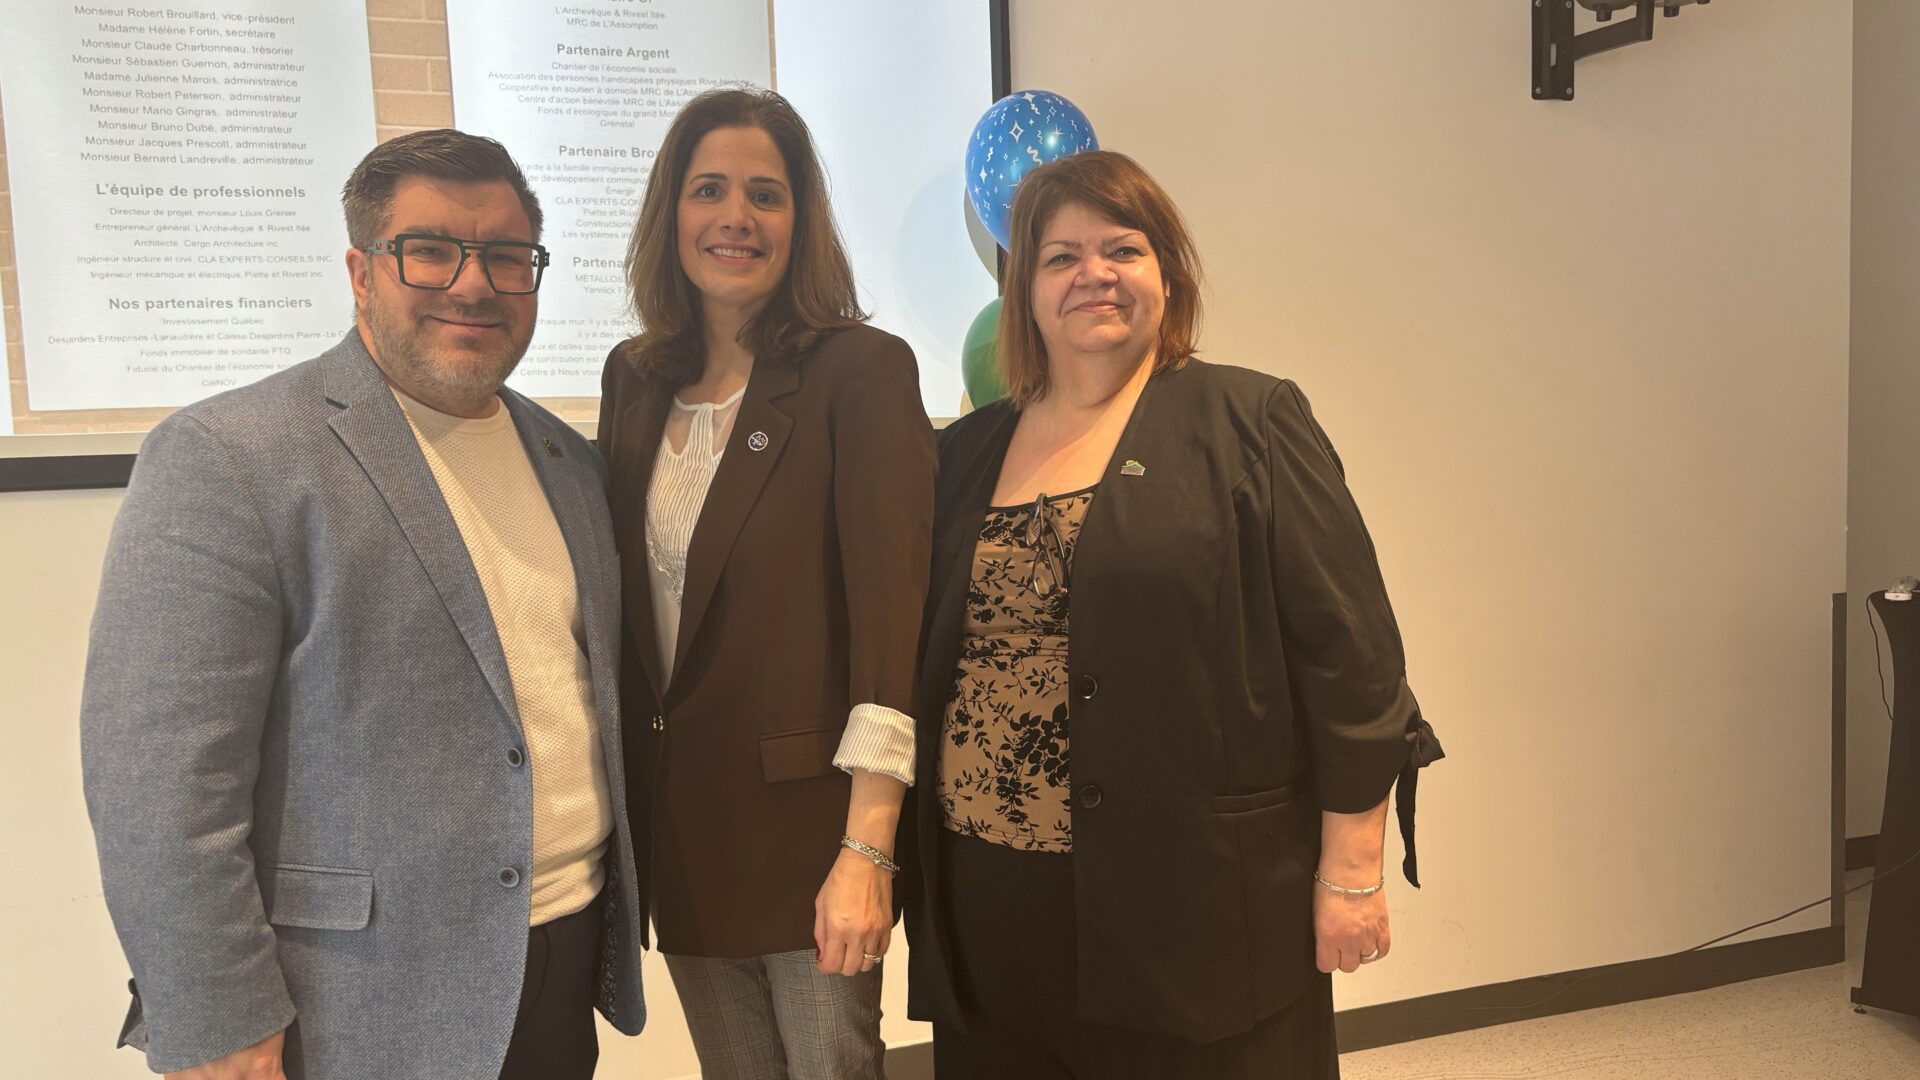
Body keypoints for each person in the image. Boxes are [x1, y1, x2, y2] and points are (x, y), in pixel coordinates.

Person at [79, 129, 646, 1080]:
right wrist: (218, 1022)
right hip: (347, 1006)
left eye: (507, 257)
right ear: (361, 269)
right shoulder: (231, 456)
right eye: (430, 250)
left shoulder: (570, 462)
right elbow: (159, 784)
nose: (474, 284)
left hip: (558, 968)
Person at [901, 150, 1444, 1079]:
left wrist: (1351, 870)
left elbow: (1352, 659)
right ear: (1025, 289)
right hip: (990, 900)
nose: (1093, 274)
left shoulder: (1249, 420)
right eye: (1061, 256)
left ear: (1168, 274)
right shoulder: (967, 452)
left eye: (1123, 248)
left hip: (1190, 900)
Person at [597, 88, 934, 1079]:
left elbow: (890, 623)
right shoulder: (634, 376)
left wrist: (867, 851)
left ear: (801, 220)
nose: (734, 217)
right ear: (674, 213)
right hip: (685, 827)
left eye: (765, 194)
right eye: (709, 190)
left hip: (811, 831)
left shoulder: (857, 372)